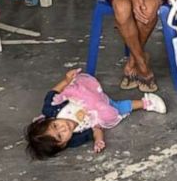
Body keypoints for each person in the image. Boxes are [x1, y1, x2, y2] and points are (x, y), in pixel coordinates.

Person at [25, 68, 166, 159]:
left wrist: (67, 80)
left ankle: (43, 121)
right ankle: (146, 103)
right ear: (63, 144)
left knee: (76, 89)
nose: (63, 128)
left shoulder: (52, 109)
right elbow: (96, 128)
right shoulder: (76, 138)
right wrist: (99, 140)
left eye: (55, 126)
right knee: (118, 108)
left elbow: (53, 92)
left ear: (50, 119)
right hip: (101, 109)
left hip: (86, 92)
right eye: (60, 135)